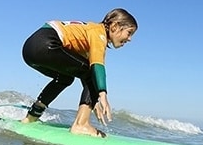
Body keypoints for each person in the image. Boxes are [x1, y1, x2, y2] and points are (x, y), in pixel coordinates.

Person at [20, 8, 138, 137]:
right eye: (129, 32)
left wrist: (94, 101)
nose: (130, 39)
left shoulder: (88, 32)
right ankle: (81, 124)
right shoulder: (99, 34)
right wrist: (102, 93)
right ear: (115, 26)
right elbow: (96, 67)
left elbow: (81, 71)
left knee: (65, 78)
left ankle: (31, 117)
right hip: (46, 43)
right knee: (91, 73)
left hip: (31, 49)